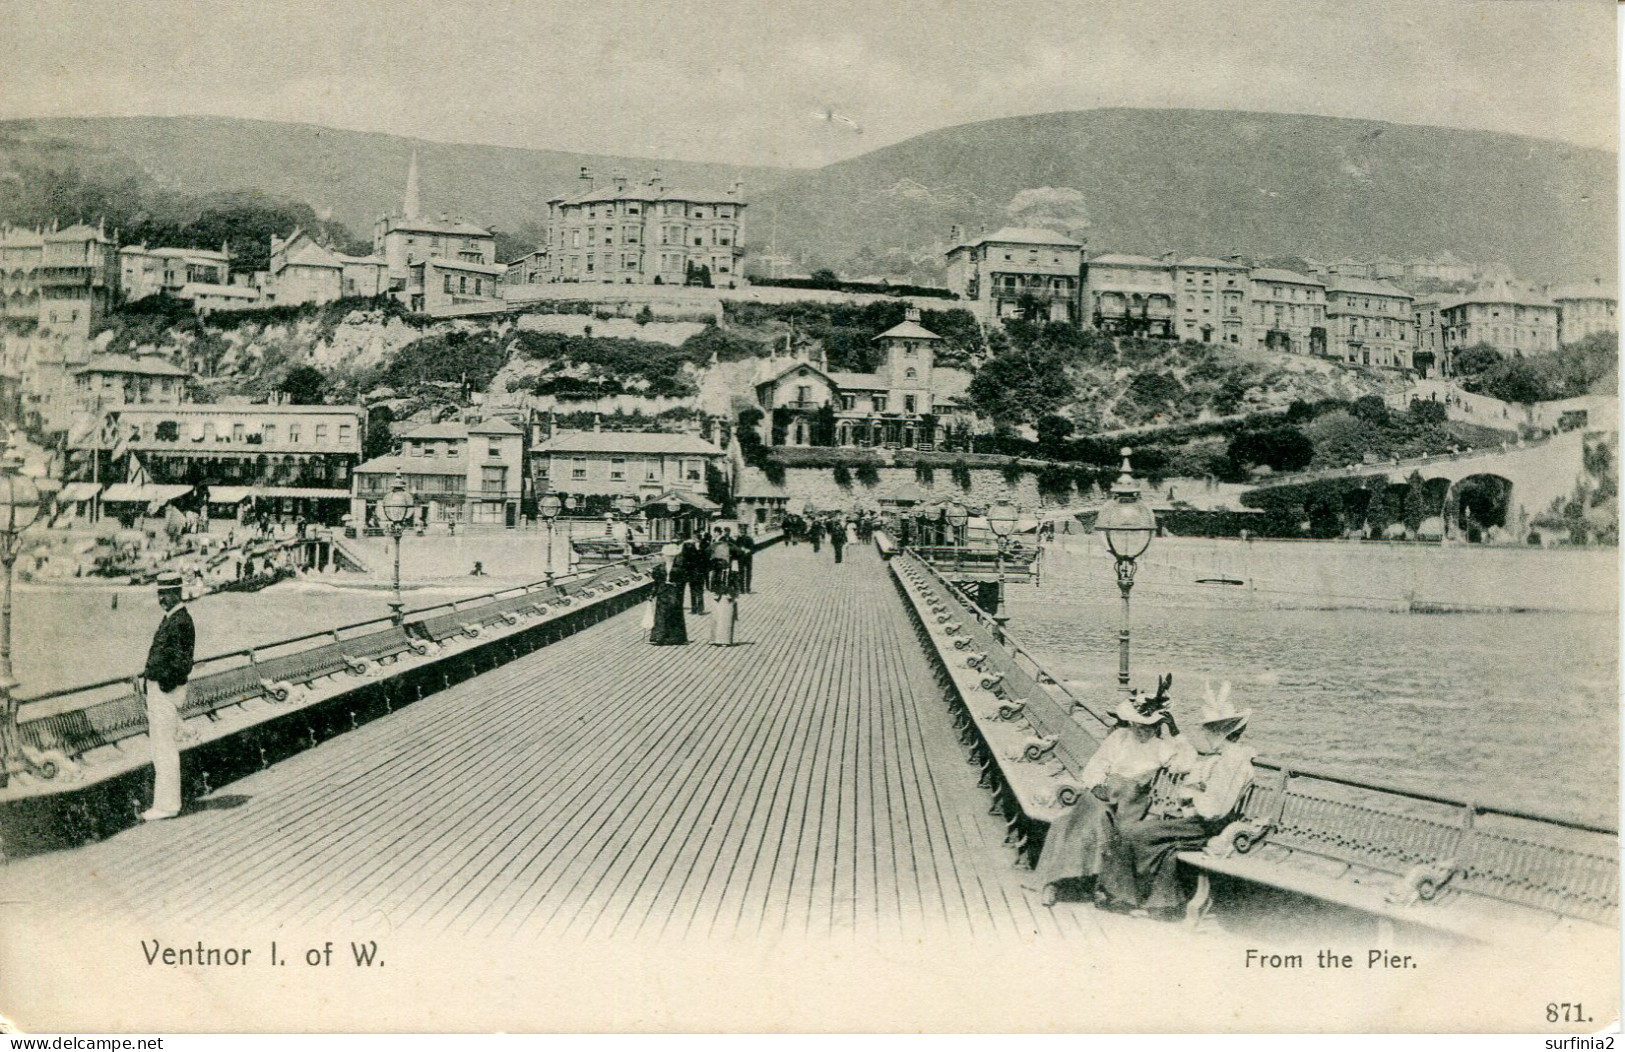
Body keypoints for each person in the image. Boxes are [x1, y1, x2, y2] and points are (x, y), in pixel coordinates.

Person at [1096, 682, 1257, 919]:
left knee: (1138, 833)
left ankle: (1140, 899)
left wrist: (1193, 795)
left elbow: (1213, 810)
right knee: (1142, 834)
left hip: (1208, 826)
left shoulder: (1233, 762)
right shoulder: (1224, 758)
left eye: (1209, 730)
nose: (1206, 735)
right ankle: (1148, 901)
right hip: (1197, 821)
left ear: (1221, 733)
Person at [1033, 690, 1178, 905]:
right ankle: (1060, 883)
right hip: (1105, 793)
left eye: (1146, 726)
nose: (1139, 730)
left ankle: (1062, 883)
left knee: (1090, 819)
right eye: (1136, 725)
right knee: (1077, 818)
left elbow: (1186, 762)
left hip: (1130, 803)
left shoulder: (1163, 747)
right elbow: (1096, 765)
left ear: (1157, 726)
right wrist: (1097, 784)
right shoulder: (1119, 737)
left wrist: (1175, 731)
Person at [138, 572, 195, 821]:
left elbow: (182, 663)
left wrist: (163, 685)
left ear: (177, 593)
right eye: (160, 593)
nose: (162, 598)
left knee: (164, 748)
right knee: (161, 747)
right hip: (161, 690)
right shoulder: (174, 618)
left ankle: (168, 805)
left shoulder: (180, 621)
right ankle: (164, 803)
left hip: (165, 691)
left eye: (166, 594)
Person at [646, 564, 688, 646]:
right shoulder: (659, 568)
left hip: (672, 594)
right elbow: (656, 583)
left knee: (673, 615)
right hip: (664, 594)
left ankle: (673, 637)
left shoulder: (678, 569)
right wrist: (652, 594)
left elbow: (683, 583)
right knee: (661, 616)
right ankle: (660, 637)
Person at [735, 527, 755, 593]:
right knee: (746, 573)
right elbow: (753, 550)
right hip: (745, 558)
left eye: (741, 532)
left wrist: (746, 550)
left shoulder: (740, 539)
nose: (740, 533)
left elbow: (752, 550)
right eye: (740, 532)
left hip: (744, 558)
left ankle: (744, 589)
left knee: (744, 573)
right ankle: (746, 589)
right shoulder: (740, 539)